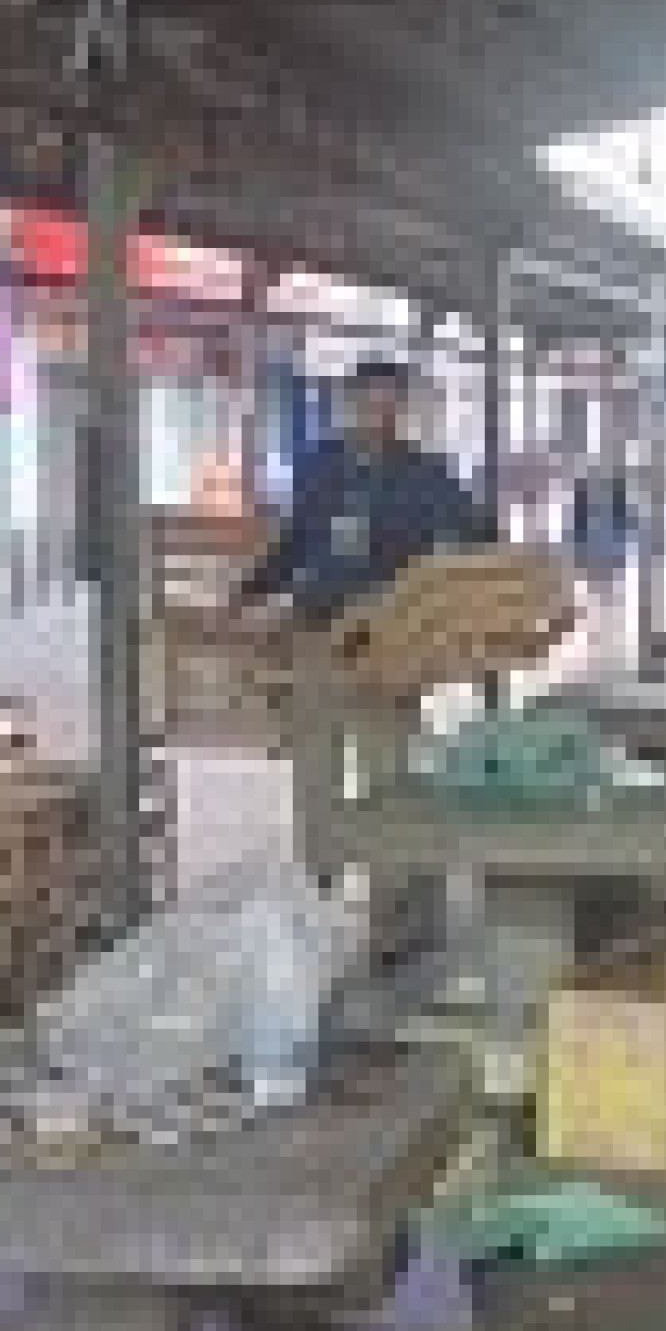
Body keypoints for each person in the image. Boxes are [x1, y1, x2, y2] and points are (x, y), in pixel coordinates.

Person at [232, 355, 493, 940]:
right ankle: (315, 904)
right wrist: (251, 593)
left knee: (388, 779)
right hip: (318, 638)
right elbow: (295, 542)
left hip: (389, 649)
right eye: (367, 401)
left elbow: (479, 535)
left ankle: (392, 914)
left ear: (403, 409)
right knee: (315, 777)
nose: (377, 412)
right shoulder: (320, 466)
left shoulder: (426, 474)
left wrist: (447, 592)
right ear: (348, 403)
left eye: (389, 402)